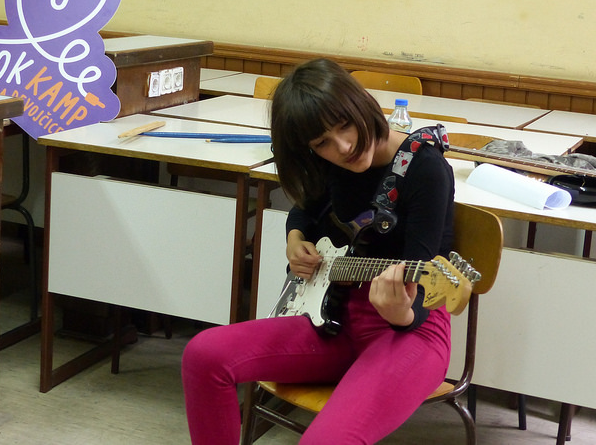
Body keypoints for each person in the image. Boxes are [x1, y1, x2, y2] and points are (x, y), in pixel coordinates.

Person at [182, 58, 455, 444]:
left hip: (410, 329)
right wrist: (294, 239)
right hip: (333, 315)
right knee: (203, 355)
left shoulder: (425, 168)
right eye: (322, 143)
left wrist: (402, 313)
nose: (343, 147)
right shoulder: (330, 163)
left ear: (362, 105)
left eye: (345, 125)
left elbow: (425, 281)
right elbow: (306, 210)